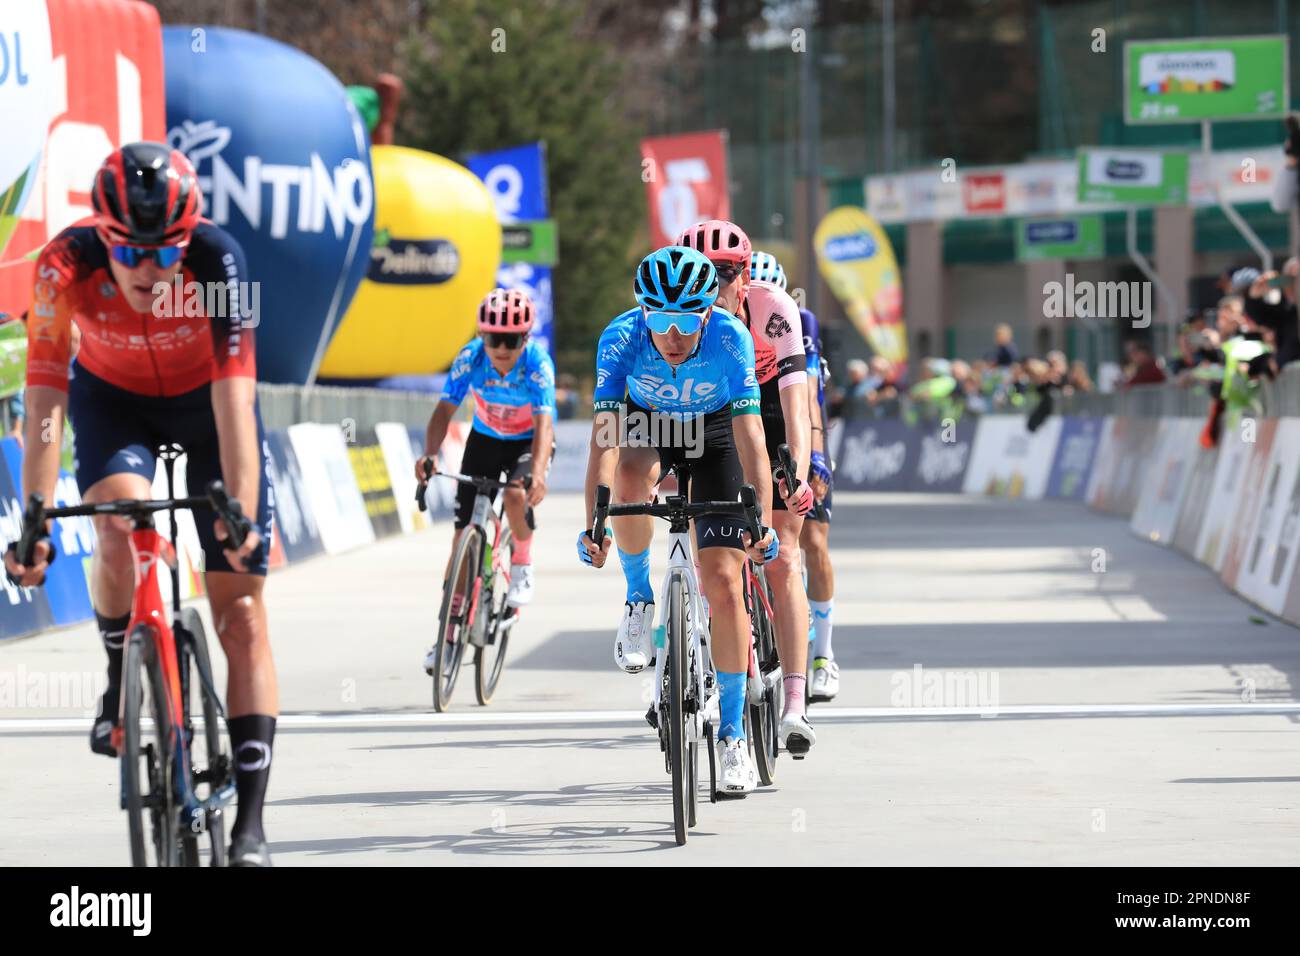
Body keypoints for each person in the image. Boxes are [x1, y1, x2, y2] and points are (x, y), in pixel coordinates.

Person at [3, 142, 277, 866]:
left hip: (205, 407)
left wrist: (239, 514)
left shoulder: (218, 262)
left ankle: (249, 825)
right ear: (105, 237)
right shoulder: (63, 267)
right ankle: (121, 672)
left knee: (241, 613)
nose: (152, 270)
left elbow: (236, 402)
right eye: (133, 254)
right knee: (122, 524)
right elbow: (43, 407)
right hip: (113, 403)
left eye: (167, 252)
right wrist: (32, 515)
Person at [577, 245, 778, 795]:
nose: (671, 333)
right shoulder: (621, 337)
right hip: (649, 425)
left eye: (685, 320)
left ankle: (733, 735)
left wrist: (757, 520)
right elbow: (604, 442)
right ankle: (640, 599)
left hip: (714, 436)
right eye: (659, 319)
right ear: (643, 311)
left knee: (723, 582)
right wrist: (594, 523)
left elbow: (752, 441)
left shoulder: (731, 339)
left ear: (708, 311)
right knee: (628, 480)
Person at [677, 222, 816, 756]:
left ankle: (796, 703)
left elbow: (795, 407)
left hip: (771, 415)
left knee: (784, 555)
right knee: (719, 558)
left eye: (727, 273)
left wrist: (798, 475)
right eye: (704, 275)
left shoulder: (774, 310)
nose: (715, 286)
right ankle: (725, 663)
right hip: (716, 417)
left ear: (746, 272)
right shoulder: (682, 320)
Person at [416, 287, 554, 667]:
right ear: (482, 337)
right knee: (461, 536)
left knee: (513, 494)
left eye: (512, 340)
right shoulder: (470, 359)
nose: (503, 349)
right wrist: (429, 455)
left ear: (525, 338)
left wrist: (538, 473)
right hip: (486, 440)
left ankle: (522, 563)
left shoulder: (537, 364)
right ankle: (445, 639)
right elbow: (443, 412)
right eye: (495, 339)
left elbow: (544, 424)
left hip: (528, 442)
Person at [750, 251, 838, 702]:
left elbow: (809, 397)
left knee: (813, 541)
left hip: (794, 420)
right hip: (747, 417)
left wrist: (816, 457)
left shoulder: (796, 320)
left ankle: (822, 654)